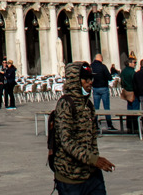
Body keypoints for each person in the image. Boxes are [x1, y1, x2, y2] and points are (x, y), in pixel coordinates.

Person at [49, 63, 115, 195]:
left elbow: (91, 139)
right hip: (71, 177)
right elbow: (66, 141)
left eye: (91, 79)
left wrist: (94, 161)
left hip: (91, 173)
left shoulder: (88, 105)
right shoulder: (65, 104)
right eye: (86, 79)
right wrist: (94, 160)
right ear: (75, 81)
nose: (90, 82)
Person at [90, 55, 114, 130]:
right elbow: (109, 77)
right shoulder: (103, 66)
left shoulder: (91, 67)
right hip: (103, 88)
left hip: (95, 88)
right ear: (100, 59)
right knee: (106, 107)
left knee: (96, 107)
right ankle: (109, 124)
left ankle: (95, 124)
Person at [120, 56, 138, 132]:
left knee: (129, 110)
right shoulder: (132, 72)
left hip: (127, 91)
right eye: (134, 63)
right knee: (135, 110)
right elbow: (135, 82)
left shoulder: (123, 71)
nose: (135, 64)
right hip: (133, 91)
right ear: (129, 63)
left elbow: (122, 82)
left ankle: (129, 126)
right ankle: (135, 127)